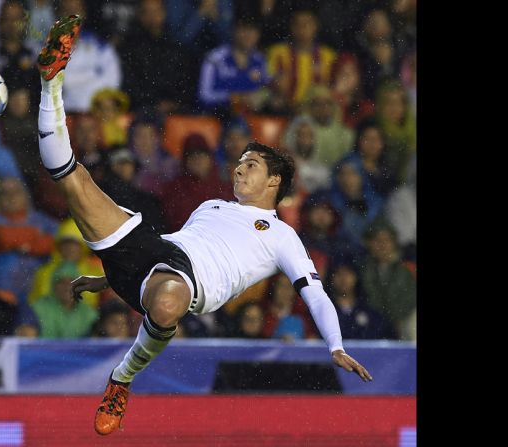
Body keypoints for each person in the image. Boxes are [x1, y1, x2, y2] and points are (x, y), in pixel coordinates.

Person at [34, 15, 372, 436]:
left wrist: (335, 345)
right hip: (148, 256)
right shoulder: (212, 205)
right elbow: (170, 245)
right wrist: (108, 280)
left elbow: (316, 295)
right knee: (73, 179)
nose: (238, 169)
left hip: (184, 285)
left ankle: (121, 379)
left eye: (250, 164)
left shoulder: (283, 235)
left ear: (274, 182)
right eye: (239, 162)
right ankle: (50, 84)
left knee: (169, 299)